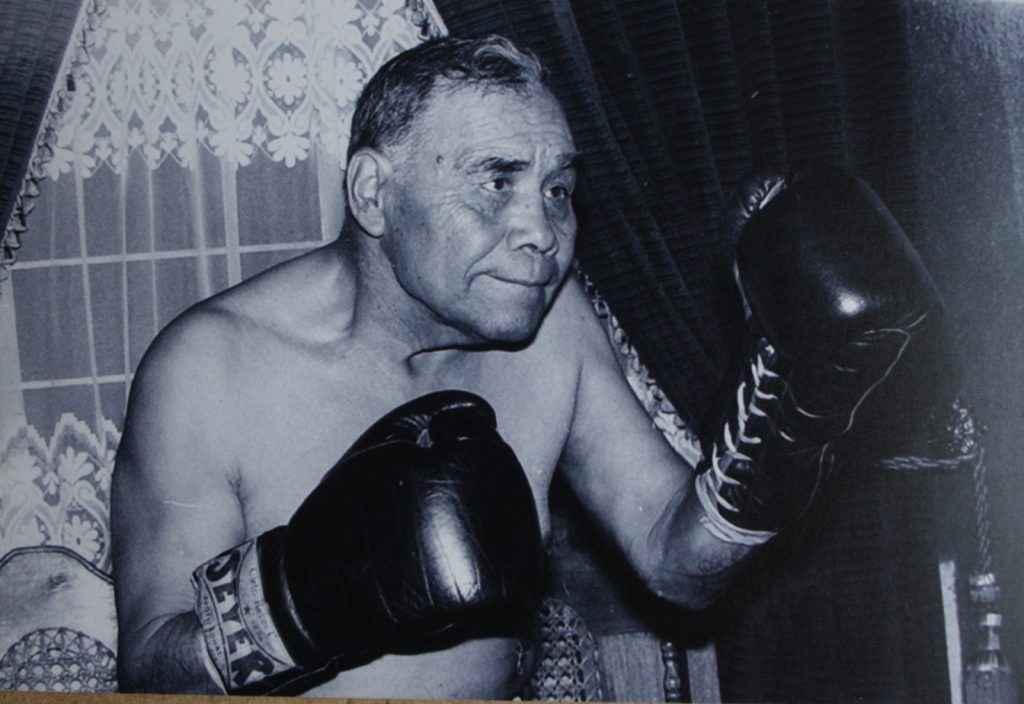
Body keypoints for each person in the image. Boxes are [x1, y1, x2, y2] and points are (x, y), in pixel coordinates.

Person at [110, 34, 939, 698]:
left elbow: (674, 561)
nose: (542, 232)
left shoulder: (553, 326)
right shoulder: (209, 368)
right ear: (372, 193)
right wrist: (310, 598)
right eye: (496, 182)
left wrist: (790, 420)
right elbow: (150, 672)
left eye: (557, 189)